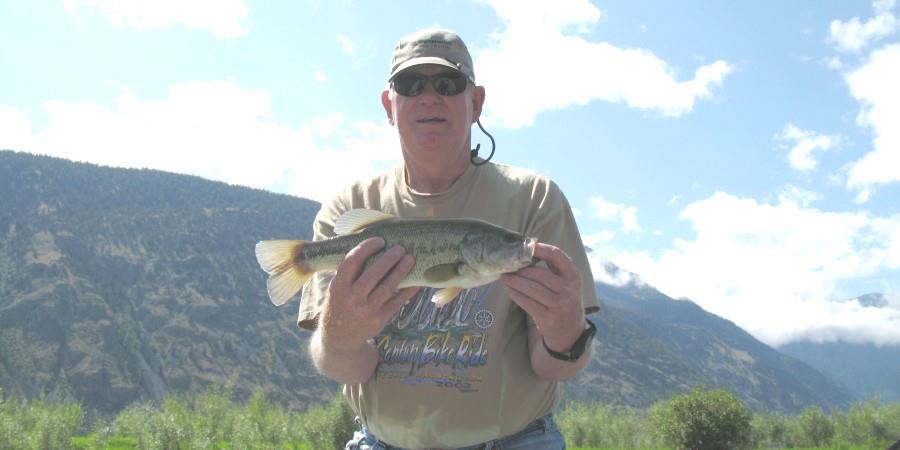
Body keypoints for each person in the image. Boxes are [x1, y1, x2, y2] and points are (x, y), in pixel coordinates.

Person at [299, 27, 600, 450]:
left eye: (447, 83)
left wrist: (567, 330)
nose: (428, 97)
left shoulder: (535, 200)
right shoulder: (350, 206)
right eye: (409, 84)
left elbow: (555, 367)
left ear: (474, 102)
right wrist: (341, 333)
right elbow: (345, 367)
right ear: (390, 104)